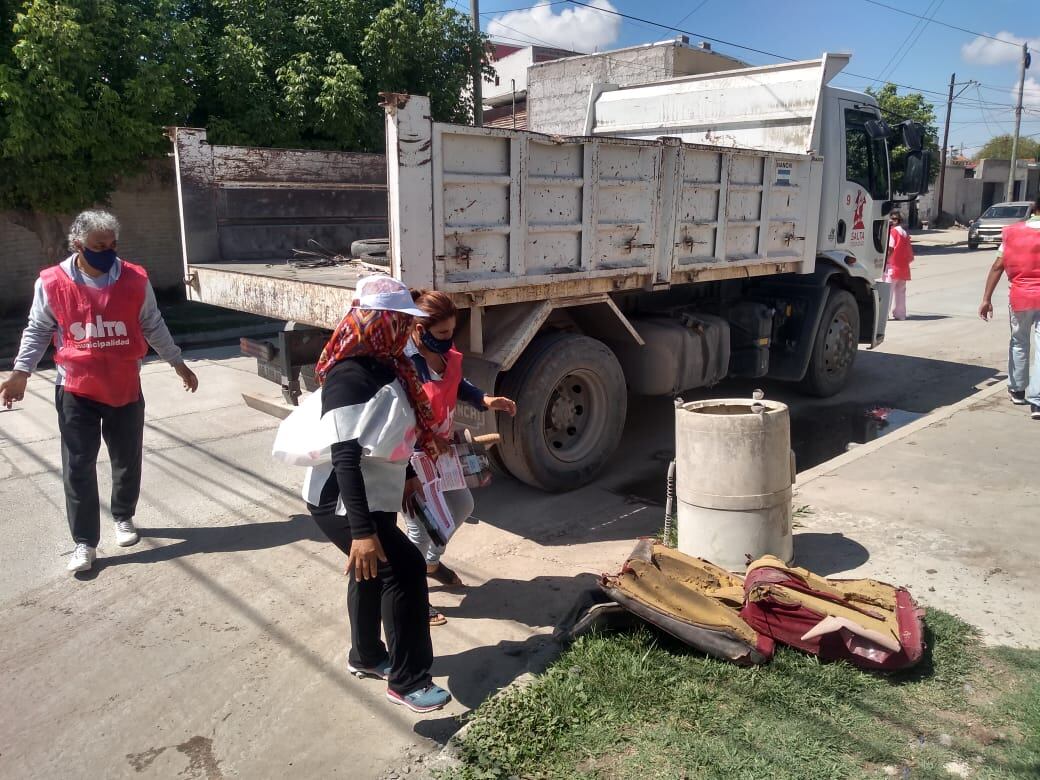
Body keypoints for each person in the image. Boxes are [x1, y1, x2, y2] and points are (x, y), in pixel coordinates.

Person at [275, 275, 452, 713]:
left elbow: (389, 433)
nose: (406, 329)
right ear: (377, 322)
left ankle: (367, 656)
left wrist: (409, 474)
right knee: (405, 568)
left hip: (377, 492)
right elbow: (346, 457)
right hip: (343, 499)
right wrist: (361, 532)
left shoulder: (388, 364)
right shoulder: (349, 376)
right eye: (398, 321)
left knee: (370, 572)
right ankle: (408, 682)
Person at [0, 209, 198, 574]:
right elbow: (38, 329)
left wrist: (177, 362)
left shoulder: (135, 278)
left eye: (112, 244)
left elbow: (152, 323)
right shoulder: (51, 282)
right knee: (78, 466)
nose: (107, 251)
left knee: (127, 457)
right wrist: (20, 372)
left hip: (124, 384)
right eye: (98, 245)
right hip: (76, 388)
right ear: (78, 245)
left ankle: (123, 516)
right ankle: (84, 542)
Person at [402, 290, 516, 625]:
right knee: (420, 527)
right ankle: (411, 596)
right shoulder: (404, 364)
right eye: (441, 333)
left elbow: (457, 383)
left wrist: (486, 399)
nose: (448, 338)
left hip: (443, 450)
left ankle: (431, 563)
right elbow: (398, 414)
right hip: (411, 456)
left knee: (462, 506)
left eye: (451, 331)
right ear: (419, 330)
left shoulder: (446, 353)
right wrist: (426, 437)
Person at [979, 195, 1040, 419]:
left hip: (1021, 296)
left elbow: (998, 265)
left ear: (1034, 208)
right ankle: (1038, 402)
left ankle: (1017, 389)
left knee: (1019, 342)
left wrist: (986, 298)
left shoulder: (1013, 233)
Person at [885, 211, 914, 320]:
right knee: (901, 293)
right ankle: (900, 314)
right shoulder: (905, 233)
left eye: (894, 219)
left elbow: (890, 249)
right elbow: (909, 252)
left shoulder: (893, 232)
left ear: (898, 221)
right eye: (891, 218)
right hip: (903, 268)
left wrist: (885, 261)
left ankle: (885, 314)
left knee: (888, 292)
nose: (892, 221)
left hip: (893, 267)